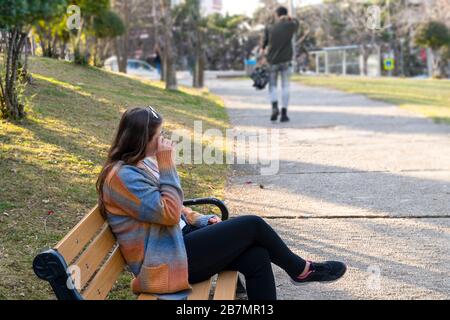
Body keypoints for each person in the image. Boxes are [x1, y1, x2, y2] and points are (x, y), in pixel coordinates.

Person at [96, 106, 347, 300]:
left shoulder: (142, 163)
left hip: (181, 245)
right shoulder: (121, 177)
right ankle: (300, 270)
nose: (163, 141)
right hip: (166, 264)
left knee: (257, 257)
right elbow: (169, 213)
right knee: (252, 225)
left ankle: (299, 271)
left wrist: (200, 219)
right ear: (141, 139)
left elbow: (176, 209)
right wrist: (167, 165)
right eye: (158, 136)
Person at [261, 6, 299, 122]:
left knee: (272, 85)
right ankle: (284, 114)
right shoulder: (290, 26)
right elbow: (297, 23)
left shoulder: (269, 27)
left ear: (276, 15)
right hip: (286, 61)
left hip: (272, 61)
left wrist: (263, 57)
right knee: (285, 87)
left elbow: (263, 45)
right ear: (286, 14)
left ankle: (274, 107)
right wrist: (290, 18)